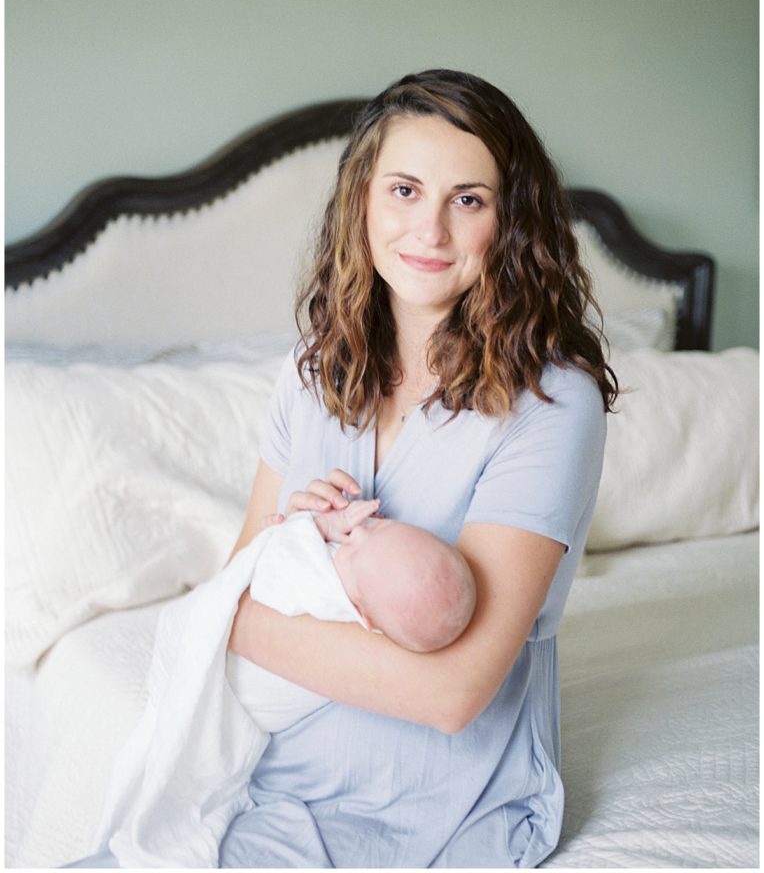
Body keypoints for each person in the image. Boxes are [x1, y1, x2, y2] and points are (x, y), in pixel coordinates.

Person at [70, 67, 617, 869]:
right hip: (270, 786)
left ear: (510, 223)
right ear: (361, 199)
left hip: (443, 811)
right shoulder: (312, 368)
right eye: (403, 190)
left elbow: (451, 693)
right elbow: (254, 569)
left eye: (468, 199)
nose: (428, 230)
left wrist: (222, 619)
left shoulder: (551, 399)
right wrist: (278, 571)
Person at [89, 501, 476, 868]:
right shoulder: (376, 596)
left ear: (364, 617)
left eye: (355, 552)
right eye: (379, 528)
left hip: (242, 687)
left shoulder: (328, 592)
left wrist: (311, 525)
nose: (356, 533)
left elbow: (273, 568)